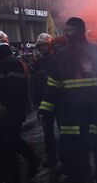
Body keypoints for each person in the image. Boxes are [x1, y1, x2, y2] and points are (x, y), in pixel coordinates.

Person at [38, 17, 97, 183]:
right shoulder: (60, 58)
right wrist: (44, 110)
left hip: (96, 113)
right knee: (73, 160)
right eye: (66, 31)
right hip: (71, 117)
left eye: (72, 30)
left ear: (81, 31)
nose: (69, 34)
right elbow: (52, 87)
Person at [0, 30, 40, 183]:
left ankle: (30, 161)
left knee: (9, 141)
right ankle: (12, 172)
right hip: (0, 109)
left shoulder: (13, 62)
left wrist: (3, 104)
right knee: (5, 142)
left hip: (12, 109)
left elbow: (14, 87)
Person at [31, 33, 58, 168]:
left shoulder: (58, 59)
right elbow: (36, 84)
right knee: (47, 133)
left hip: (59, 101)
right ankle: (52, 158)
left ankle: (67, 157)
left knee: (65, 129)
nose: (42, 48)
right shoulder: (37, 64)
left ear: (50, 45)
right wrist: (37, 103)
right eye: (40, 46)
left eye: (44, 45)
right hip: (45, 102)